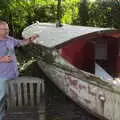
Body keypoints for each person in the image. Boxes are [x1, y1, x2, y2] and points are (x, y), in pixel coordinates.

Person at [0, 20, 39, 119]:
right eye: (4, 29)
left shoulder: (9, 39)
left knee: (13, 96)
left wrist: (30, 39)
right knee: (1, 98)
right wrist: (2, 59)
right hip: (2, 76)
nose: (7, 31)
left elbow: (21, 43)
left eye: (7, 29)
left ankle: (10, 115)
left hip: (14, 74)